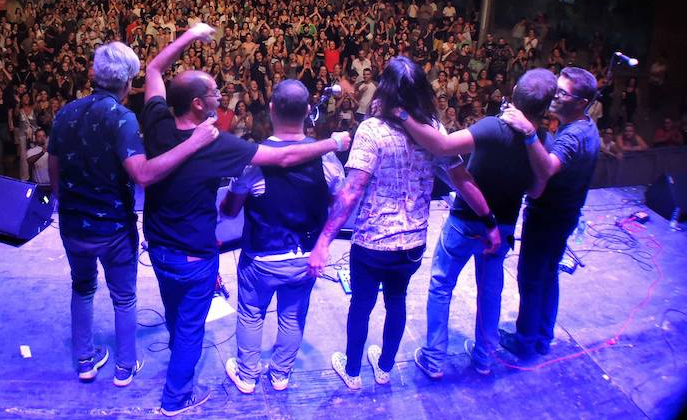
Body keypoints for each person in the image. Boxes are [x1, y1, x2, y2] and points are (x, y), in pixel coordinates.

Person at [141, 23, 351, 417]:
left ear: (271, 109)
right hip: (235, 255)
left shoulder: (156, 123)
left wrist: (188, 35)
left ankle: (247, 373)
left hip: (167, 249)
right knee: (281, 316)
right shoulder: (217, 143)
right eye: (215, 94)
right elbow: (296, 165)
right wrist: (334, 143)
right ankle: (256, 380)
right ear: (199, 105)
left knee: (215, 315)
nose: (222, 97)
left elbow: (153, 70)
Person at [307, 56, 490, 391]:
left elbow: (351, 192)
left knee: (361, 304)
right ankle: (385, 367)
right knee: (397, 300)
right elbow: (461, 179)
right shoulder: (434, 130)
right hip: (412, 244)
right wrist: (489, 219)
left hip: (372, 243)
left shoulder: (371, 130)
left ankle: (352, 371)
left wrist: (323, 242)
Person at [47, 41, 219, 386]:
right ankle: (125, 367)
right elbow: (142, 174)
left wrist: (66, 200)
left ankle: (85, 360)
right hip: (112, 228)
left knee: (81, 288)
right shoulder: (122, 118)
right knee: (123, 297)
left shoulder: (65, 112)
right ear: (127, 83)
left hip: (72, 225)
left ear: (93, 74)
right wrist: (194, 143)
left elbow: (53, 168)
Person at [394, 69, 557, 376]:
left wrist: (402, 114)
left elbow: (442, 146)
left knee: (442, 286)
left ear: (515, 92)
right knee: (490, 292)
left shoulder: (494, 127)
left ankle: (435, 360)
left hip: (466, 220)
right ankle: (483, 358)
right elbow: (536, 189)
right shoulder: (541, 141)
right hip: (504, 226)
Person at [220, 80, 346, 394]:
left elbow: (231, 211)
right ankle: (280, 375)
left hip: (261, 259)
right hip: (305, 259)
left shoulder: (254, 160)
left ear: (272, 109)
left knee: (251, 314)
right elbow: (339, 205)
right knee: (293, 315)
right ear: (307, 111)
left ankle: (247, 376)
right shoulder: (327, 159)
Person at [499, 66, 601, 359]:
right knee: (548, 274)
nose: (554, 96)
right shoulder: (587, 126)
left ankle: (525, 342)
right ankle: (543, 335)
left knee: (530, 276)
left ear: (581, 102)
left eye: (562, 93)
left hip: (548, 216)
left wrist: (530, 133)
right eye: (556, 88)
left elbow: (547, 169)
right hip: (566, 214)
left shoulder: (573, 137)